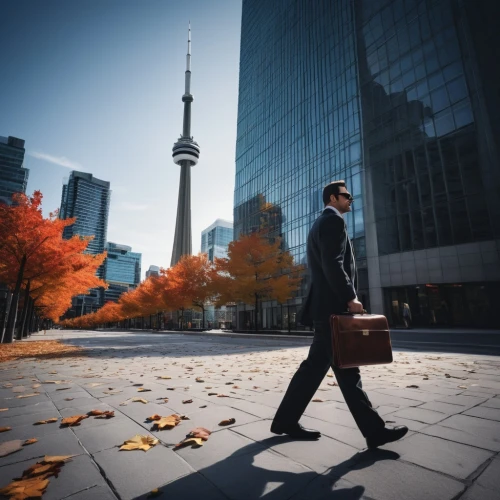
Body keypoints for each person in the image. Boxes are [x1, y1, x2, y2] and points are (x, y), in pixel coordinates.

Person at [271, 180, 408, 448]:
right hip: (333, 307)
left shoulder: (320, 224)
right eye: (347, 196)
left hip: (325, 309)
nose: (351, 200)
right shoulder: (333, 222)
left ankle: (286, 421)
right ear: (333, 198)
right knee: (347, 370)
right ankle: (374, 431)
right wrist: (350, 297)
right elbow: (332, 263)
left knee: (319, 370)